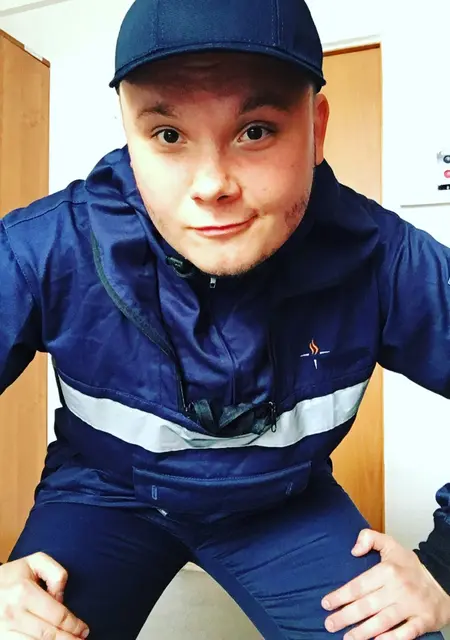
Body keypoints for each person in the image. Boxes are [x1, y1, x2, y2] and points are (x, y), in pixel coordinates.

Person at [0, 0, 449, 638]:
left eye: (255, 131)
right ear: (129, 136)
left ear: (317, 129)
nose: (211, 185)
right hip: (103, 492)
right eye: (168, 135)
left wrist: (444, 569)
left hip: (283, 503)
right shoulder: (44, 249)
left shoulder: (385, 259)